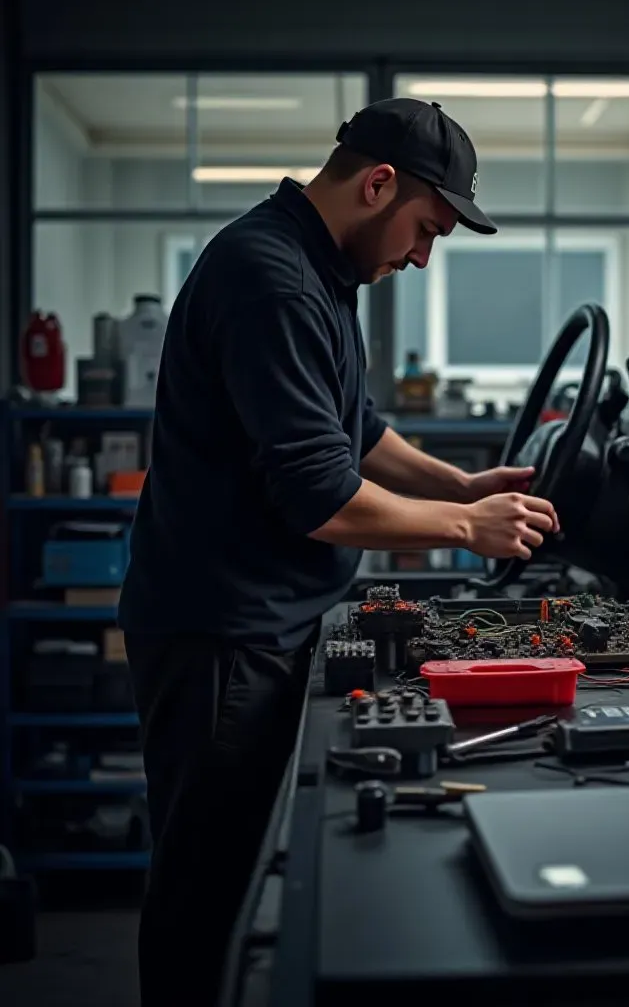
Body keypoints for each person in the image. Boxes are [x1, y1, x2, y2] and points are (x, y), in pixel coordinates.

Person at [117, 97, 560, 1007]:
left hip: (262, 624)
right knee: (209, 895)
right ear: (378, 184)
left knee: (242, 880)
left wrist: (459, 487)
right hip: (223, 640)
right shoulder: (271, 281)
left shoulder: (319, 272)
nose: (422, 257)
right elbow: (320, 495)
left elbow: (353, 433)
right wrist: (464, 531)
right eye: (425, 230)